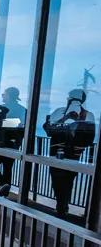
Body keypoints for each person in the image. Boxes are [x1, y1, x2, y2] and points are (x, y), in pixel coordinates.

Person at [43, 88, 97, 218]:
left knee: (59, 178)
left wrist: (65, 121)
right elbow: (89, 138)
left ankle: (61, 204)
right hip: (73, 153)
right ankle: (63, 204)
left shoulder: (59, 112)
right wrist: (67, 119)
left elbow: (48, 128)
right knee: (67, 179)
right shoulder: (88, 115)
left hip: (59, 151)